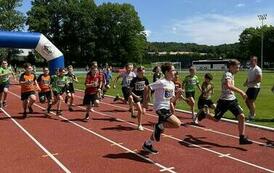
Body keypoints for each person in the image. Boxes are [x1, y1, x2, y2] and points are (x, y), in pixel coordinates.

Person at [197, 59, 253, 145]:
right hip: (223, 101)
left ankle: (242, 138)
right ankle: (204, 114)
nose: (238, 69)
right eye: (237, 67)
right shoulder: (227, 74)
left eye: (239, 67)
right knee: (216, 119)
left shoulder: (231, 74)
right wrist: (241, 92)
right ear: (231, 67)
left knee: (241, 116)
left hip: (232, 100)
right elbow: (228, 85)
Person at [142, 63, 182, 154]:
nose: (175, 72)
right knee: (178, 123)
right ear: (167, 72)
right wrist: (145, 103)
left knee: (161, 130)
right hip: (160, 108)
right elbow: (147, 87)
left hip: (166, 108)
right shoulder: (161, 82)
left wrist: (178, 95)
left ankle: (148, 144)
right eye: (173, 70)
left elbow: (171, 100)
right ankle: (158, 126)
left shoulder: (172, 84)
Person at [129, 66, 149, 131]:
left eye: (143, 73)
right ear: (138, 72)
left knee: (143, 112)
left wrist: (147, 98)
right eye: (141, 73)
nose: (143, 74)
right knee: (140, 110)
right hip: (136, 96)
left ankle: (132, 104)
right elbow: (130, 91)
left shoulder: (145, 79)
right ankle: (139, 125)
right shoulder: (134, 80)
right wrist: (136, 96)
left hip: (142, 97)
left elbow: (147, 88)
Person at [243, 56, 262, 121]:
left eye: (252, 61)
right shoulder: (250, 68)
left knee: (251, 101)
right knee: (246, 100)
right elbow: (248, 77)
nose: (250, 62)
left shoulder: (257, 69)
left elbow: (259, 79)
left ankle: (252, 115)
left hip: (255, 87)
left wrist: (250, 82)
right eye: (250, 60)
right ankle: (251, 112)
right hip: (250, 87)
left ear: (255, 61)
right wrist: (246, 82)